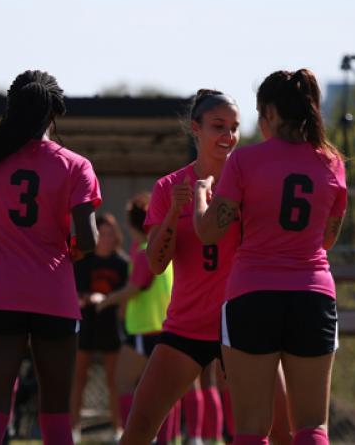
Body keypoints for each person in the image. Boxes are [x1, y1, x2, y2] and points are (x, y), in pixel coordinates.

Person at [120, 89, 291, 445]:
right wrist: (171, 214)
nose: (228, 136)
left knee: (283, 433)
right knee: (137, 430)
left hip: (244, 323)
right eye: (218, 126)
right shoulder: (169, 187)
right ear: (195, 129)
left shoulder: (251, 181)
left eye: (234, 127)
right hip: (187, 325)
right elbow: (155, 264)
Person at [193, 69, 347, 445]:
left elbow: (209, 231)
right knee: (312, 427)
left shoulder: (245, 161)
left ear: (272, 113)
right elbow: (328, 238)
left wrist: (200, 197)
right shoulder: (331, 162)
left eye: (260, 114)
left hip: (252, 295)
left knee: (251, 428)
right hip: (312, 296)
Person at [0, 70, 101, 445]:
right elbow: (89, 239)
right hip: (55, 294)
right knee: (56, 412)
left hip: (0, 292)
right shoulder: (75, 164)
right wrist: (70, 249)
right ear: (53, 113)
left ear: (11, 108)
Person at [97, 192, 177, 444]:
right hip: (162, 329)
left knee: (122, 383)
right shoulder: (159, 248)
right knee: (163, 393)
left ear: (132, 224)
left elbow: (134, 288)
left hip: (146, 331)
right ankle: (161, 439)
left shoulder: (145, 252)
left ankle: (134, 438)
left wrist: (105, 301)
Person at [70, 212, 128, 441]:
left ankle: (117, 430)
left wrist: (108, 300)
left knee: (115, 381)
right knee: (79, 378)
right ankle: (74, 430)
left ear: (116, 236)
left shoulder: (122, 263)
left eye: (110, 234)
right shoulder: (84, 261)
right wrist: (88, 298)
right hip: (86, 325)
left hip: (111, 326)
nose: (106, 238)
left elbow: (126, 296)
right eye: (102, 234)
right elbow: (75, 294)